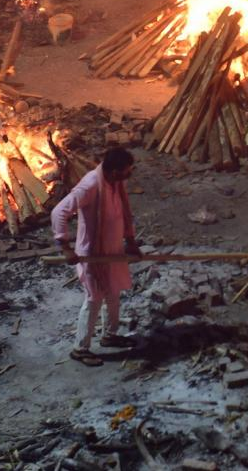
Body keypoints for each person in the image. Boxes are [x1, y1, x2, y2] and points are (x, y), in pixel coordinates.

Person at [51, 147, 142, 366]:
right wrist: (65, 246)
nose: (128, 176)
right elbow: (59, 212)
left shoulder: (116, 183)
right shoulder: (91, 185)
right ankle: (80, 349)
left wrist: (130, 242)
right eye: (126, 172)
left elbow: (123, 214)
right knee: (93, 299)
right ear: (113, 171)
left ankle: (109, 335)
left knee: (112, 294)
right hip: (92, 254)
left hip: (112, 252)